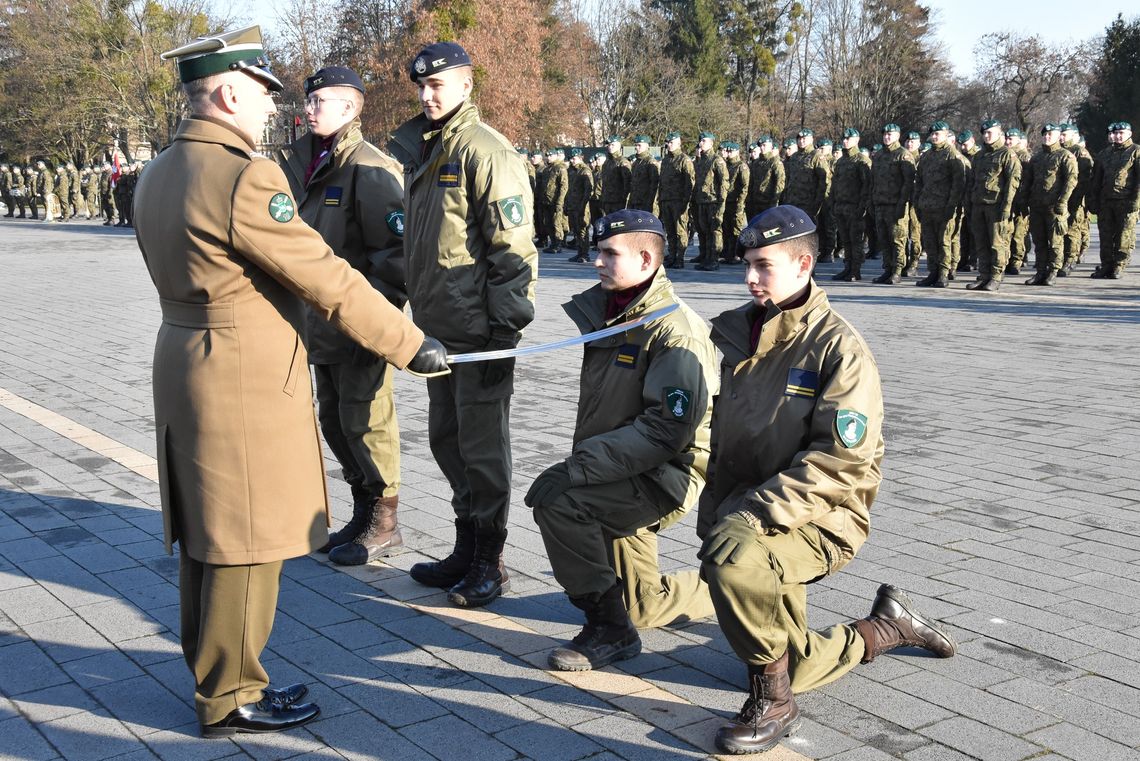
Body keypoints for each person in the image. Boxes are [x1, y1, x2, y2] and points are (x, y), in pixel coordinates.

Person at [133, 26, 449, 738]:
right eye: (264, 96)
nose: (272, 110)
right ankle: (233, 693)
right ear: (227, 92)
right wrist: (408, 342)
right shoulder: (245, 176)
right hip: (240, 376)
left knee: (208, 537)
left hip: (184, 359)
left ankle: (214, 673)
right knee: (247, 539)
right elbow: (326, 275)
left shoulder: (157, 171)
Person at [697, 206, 957, 755]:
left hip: (820, 517)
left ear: (804, 265)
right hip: (753, 510)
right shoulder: (743, 336)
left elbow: (840, 462)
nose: (749, 278)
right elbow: (726, 438)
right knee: (796, 658)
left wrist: (749, 514)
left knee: (734, 566)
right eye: (746, 264)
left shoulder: (840, 350)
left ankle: (775, 703)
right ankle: (890, 626)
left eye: (763, 266)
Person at [525, 209, 718, 671]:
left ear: (647, 259)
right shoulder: (621, 312)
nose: (596, 262)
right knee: (643, 607)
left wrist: (580, 468)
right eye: (597, 251)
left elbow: (666, 430)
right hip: (624, 465)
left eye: (609, 253)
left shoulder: (673, 332)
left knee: (562, 502)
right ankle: (726, 586)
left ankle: (608, 631)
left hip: (661, 474)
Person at [389, 41, 538, 608]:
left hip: (480, 336)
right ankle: (465, 545)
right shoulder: (425, 151)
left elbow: (513, 249)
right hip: (436, 333)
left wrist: (506, 331)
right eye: (422, 87)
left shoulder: (485, 151)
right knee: (447, 442)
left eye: (439, 85)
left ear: (467, 84)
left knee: (483, 450)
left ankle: (489, 562)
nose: (428, 96)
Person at [275, 65, 412, 566]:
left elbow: (394, 258)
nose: (308, 109)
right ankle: (361, 511)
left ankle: (385, 520)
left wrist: (372, 323)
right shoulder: (303, 164)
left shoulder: (367, 168)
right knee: (334, 419)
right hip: (316, 325)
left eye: (320, 102)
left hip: (356, 324)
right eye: (308, 102)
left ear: (351, 108)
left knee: (368, 421)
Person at [967, 119, 1021, 291]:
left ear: (999, 133)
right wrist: (969, 203)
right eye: (985, 132)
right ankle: (983, 275)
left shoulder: (1007, 154)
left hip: (996, 206)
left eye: (990, 132)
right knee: (981, 242)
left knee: (997, 243)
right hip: (978, 204)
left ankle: (996, 276)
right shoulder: (979, 156)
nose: (987, 135)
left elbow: (1012, 183)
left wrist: (1006, 207)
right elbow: (972, 181)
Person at [912, 121, 964, 288]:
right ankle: (932, 272)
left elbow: (958, 184)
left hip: (944, 207)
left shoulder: (952, 155)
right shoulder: (926, 157)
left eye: (938, 134)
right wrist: (918, 202)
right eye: (932, 134)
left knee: (944, 242)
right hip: (927, 207)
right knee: (930, 242)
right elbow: (919, 182)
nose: (934, 137)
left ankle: (943, 274)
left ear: (946, 135)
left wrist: (952, 206)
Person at [1024, 124, 1077, 286]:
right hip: (1037, 206)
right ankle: (1040, 271)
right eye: (1045, 134)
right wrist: (1024, 201)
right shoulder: (1037, 158)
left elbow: (1071, 181)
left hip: (1054, 207)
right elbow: (1028, 181)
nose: (1047, 137)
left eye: (1051, 134)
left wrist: (1062, 202)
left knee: (1055, 241)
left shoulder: (1065, 156)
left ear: (1058, 136)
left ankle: (1052, 271)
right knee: (1039, 241)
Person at [1087, 121, 1139, 279]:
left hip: (1126, 200)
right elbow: (1096, 179)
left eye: (1121, 133)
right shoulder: (1104, 154)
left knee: (1124, 235)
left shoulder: (1135, 152)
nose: (1117, 136)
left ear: (1129, 134)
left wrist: (1136, 201)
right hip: (1106, 202)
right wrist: (1093, 200)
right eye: (1116, 133)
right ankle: (1106, 265)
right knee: (1106, 235)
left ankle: (1119, 266)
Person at [869, 124, 916, 284]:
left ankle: (897, 270)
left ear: (898, 136)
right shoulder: (880, 155)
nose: (887, 137)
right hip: (880, 204)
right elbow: (873, 181)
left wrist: (902, 204)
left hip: (896, 204)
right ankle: (887, 269)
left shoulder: (903, 155)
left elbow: (908, 183)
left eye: (890, 134)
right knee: (884, 239)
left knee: (898, 239)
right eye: (885, 134)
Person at [830, 128, 872, 281]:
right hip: (841, 206)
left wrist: (862, 206)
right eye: (844, 138)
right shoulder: (841, 161)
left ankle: (855, 269)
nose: (845, 141)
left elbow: (866, 186)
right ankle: (847, 267)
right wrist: (833, 202)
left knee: (856, 240)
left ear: (856, 140)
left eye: (849, 138)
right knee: (845, 239)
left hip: (855, 206)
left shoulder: (862, 160)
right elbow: (835, 185)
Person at [692, 132, 728, 271]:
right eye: (700, 140)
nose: (701, 143)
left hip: (713, 201)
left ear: (711, 143)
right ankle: (706, 257)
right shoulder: (701, 160)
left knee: (714, 231)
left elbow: (723, 182)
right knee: (704, 230)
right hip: (702, 201)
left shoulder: (716, 160)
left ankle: (714, 260)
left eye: (704, 141)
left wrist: (721, 202)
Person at [658, 131, 694, 269]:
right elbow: (662, 182)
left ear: (679, 143)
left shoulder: (684, 160)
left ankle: (680, 257)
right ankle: (672, 255)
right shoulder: (666, 160)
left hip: (679, 201)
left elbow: (689, 182)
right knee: (670, 230)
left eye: (672, 143)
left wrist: (686, 202)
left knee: (680, 230)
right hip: (666, 200)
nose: (669, 145)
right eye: (668, 143)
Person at [721, 142, 750, 264]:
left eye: (731, 151)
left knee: (736, 229)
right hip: (726, 201)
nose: (729, 153)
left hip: (736, 202)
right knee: (726, 228)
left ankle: (737, 255)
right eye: (728, 151)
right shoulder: (726, 165)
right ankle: (728, 254)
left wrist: (740, 203)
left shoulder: (741, 166)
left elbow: (745, 186)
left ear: (737, 152)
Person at [565, 147, 595, 263]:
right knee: (576, 230)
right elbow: (570, 189)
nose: (572, 160)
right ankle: (579, 252)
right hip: (573, 205)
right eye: (571, 159)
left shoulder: (585, 171)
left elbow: (588, 191)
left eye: (574, 158)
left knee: (583, 230)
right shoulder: (572, 171)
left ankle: (585, 254)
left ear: (581, 158)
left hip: (581, 206)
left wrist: (583, 206)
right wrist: (566, 204)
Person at [628, 135, 660, 214]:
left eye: (639, 145)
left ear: (646, 146)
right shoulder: (636, 163)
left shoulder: (651, 162)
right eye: (636, 145)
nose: (636, 147)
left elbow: (655, 185)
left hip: (646, 203)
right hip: (635, 202)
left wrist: (652, 204)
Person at [600, 136, 632, 213]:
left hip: (618, 201)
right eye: (609, 145)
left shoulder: (622, 162)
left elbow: (627, 183)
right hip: (607, 200)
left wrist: (623, 198)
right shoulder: (606, 163)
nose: (610, 147)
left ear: (618, 146)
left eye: (612, 145)